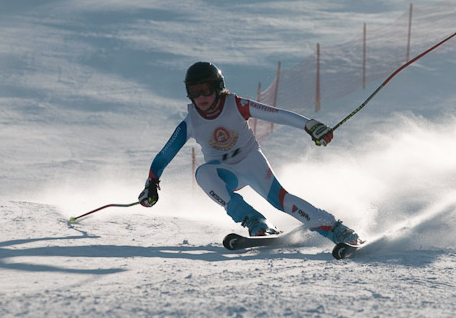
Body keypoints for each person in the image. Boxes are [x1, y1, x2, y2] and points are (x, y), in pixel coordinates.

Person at [138, 61, 360, 245]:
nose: (202, 96)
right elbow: (164, 155)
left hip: (251, 161)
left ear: (217, 87)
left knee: (282, 201)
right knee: (203, 173)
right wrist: (151, 183)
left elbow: (277, 115)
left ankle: (337, 230)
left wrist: (309, 125)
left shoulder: (236, 104)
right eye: (195, 92)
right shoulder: (191, 122)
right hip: (224, 172)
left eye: (206, 89)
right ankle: (255, 221)